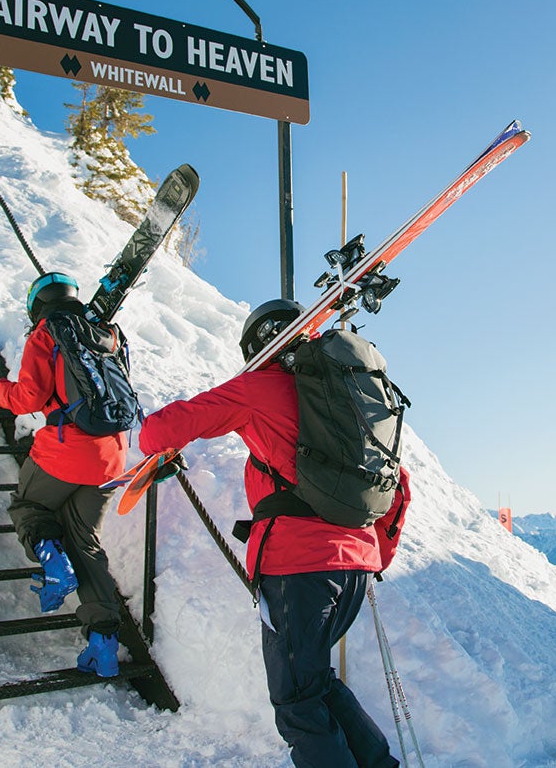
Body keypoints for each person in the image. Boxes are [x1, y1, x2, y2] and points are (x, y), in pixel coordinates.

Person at [138, 299, 411, 768]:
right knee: (315, 685)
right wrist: (374, 553)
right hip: (354, 567)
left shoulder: (259, 388)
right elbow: (397, 483)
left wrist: (152, 446)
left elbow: (162, 429)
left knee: (297, 702)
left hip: (298, 568)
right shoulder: (349, 396)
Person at [0, 272, 127, 677]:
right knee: (85, 543)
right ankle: (104, 645)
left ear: (37, 305)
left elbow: (28, 398)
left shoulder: (46, 334)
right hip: (111, 456)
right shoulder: (105, 333)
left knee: (28, 507)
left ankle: (55, 567)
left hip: (66, 450)